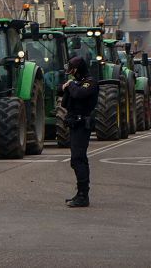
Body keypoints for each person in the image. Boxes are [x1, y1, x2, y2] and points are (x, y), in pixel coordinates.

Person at [60, 56, 99, 208]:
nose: (71, 74)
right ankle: (80, 193)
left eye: (73, 70)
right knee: (76, 159)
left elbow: (79, 94)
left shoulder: (90, 82)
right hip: (74, 124)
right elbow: (61, 90)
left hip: (83, 123)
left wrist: (70, 86)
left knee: (78, 159)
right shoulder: (76, 83)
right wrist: (68, 86)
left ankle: (83, 195)